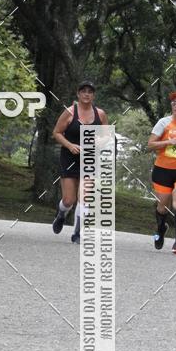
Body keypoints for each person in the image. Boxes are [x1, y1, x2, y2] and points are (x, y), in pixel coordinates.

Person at [51, 80, 108, 243]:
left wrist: (100, 142)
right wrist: (70, 145)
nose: (86, 94)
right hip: (69, 157)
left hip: (89, 159)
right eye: (83, 91)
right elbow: (56, 132)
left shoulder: (101, 114)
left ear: (93, 95)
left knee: (84, 197)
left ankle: (77, 233)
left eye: (90, 92)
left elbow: (106, 135)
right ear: (78, 94)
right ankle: (61, 214)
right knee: (69, 200)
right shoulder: (69, 112)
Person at [147, 91, 176, 255]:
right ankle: (161, 228)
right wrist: (168, 142)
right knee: (162, 207)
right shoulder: (163, 123)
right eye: (174, 103)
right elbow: (150, 145)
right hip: (162, 171)